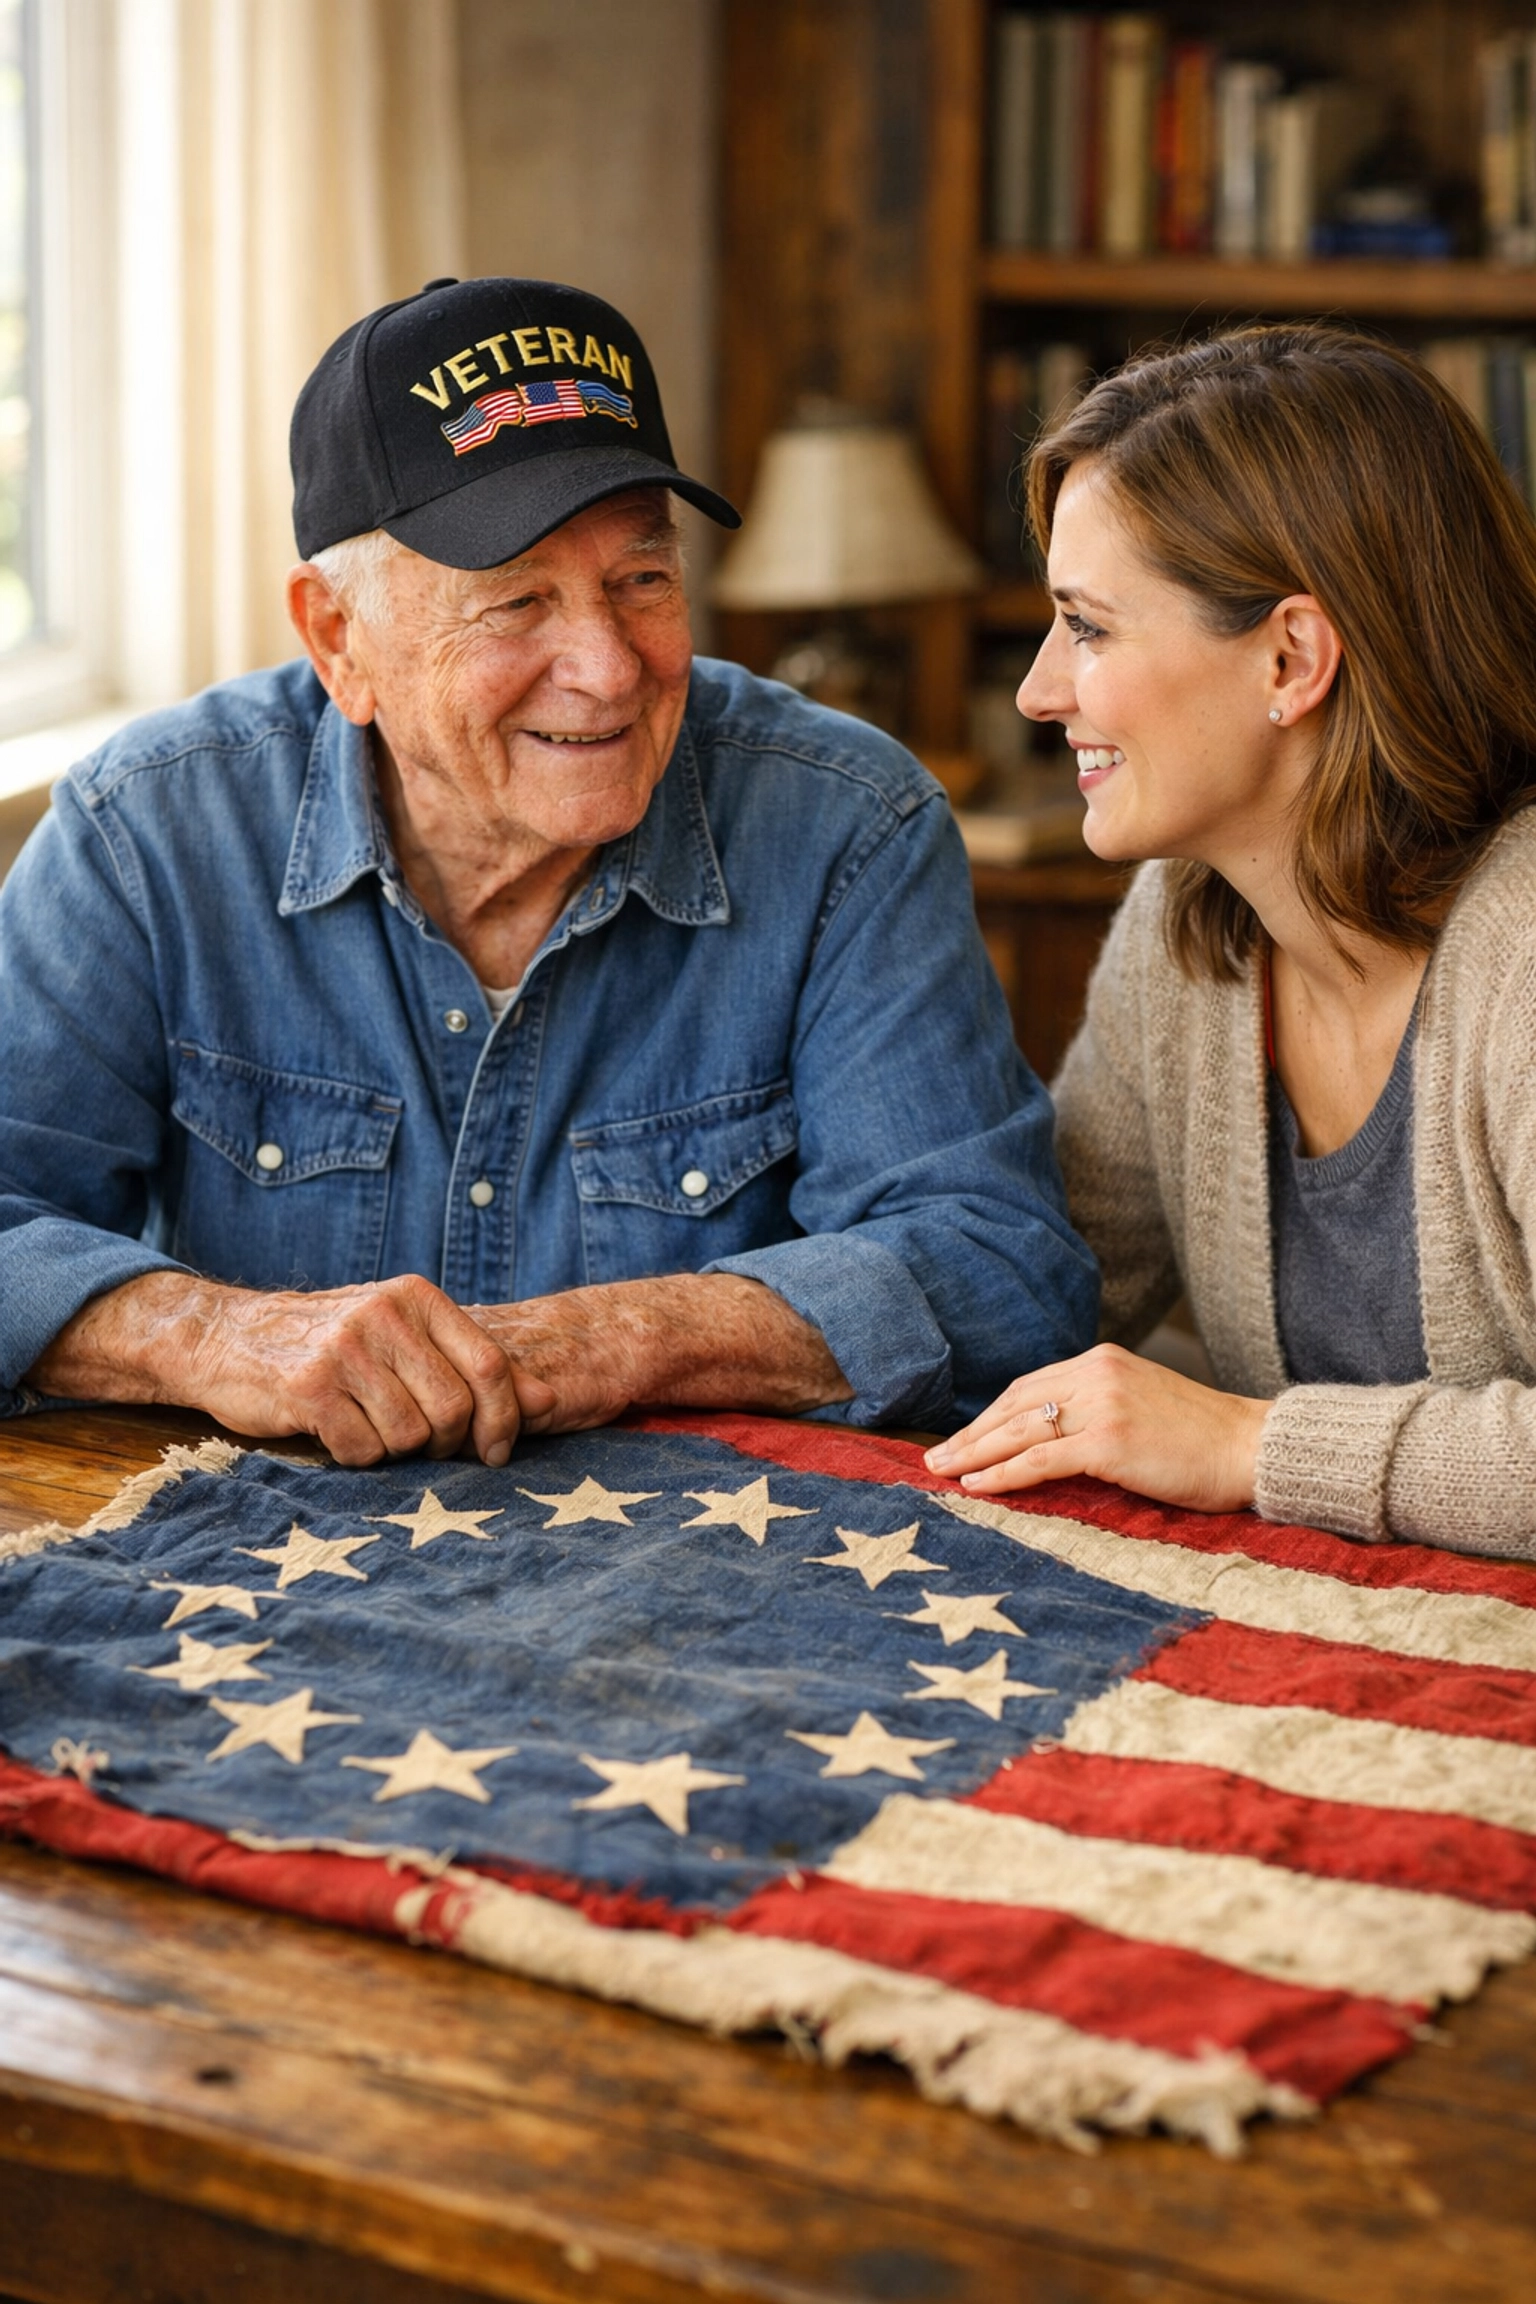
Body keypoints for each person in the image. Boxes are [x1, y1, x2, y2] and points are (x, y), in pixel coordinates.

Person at [0, 276, 1096, 1466]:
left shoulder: (847, 826)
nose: (611, 669)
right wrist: (220, 1336)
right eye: (517, 601)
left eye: (643, 581)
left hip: (710, 1585)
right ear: (336, 638)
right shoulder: (147, 831)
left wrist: (608, 1339)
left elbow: (999, 1271)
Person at [929, 322, 1536, 1561]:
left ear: (1291, 657)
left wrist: (1243, 1446)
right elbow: (1045, 1282)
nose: (1039, 692)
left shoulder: (1522, 955)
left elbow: (1214, 1438)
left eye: (1088, 628)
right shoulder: (1188, 926)